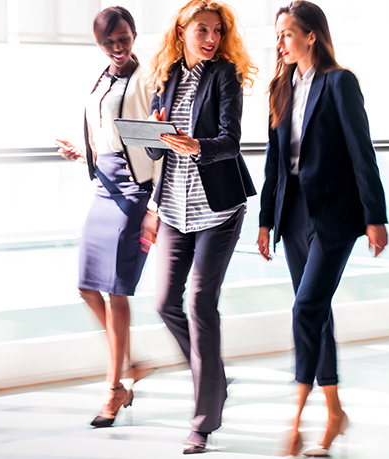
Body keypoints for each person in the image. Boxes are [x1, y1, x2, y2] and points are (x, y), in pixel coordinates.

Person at [256, 1, 388, 456]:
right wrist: (265, 219)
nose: (281, 42)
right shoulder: (280, 87)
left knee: (305, 308)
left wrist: (375, 216)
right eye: (278, 35)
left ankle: (296, 417)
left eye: (288, 33)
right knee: (316, 311)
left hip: (333, 215)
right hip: (291, 214)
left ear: (311, 35)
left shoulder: (339, 82)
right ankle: (334, 413)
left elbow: (361, 151)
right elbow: (275, 160)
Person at [141, 0, 257, 453]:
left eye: (217, 31)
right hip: (173, 208)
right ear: (182, 32)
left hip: (218, 210)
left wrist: (195, 145)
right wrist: (154, 132)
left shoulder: (224, 74)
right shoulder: (166, 78)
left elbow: (230, 140)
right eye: (202, 30)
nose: (211, 39)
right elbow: (155, 152)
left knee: (200, 303)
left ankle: (203, 421)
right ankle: (215, 380)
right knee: (167, 303)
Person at [55, 6, 159, 428]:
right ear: (100, 44)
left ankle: (115, 387)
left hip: (134, 189)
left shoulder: (147, 78)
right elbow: (109, 133)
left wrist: (153, 205)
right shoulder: (101, 78)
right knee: (86, 286)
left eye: (123, 38)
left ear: (134, 34)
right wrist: (83, 153)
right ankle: (130, 364)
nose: (117, 47)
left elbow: (154, 141)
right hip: (104, 184)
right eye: (108, 42)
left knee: (116, 290)